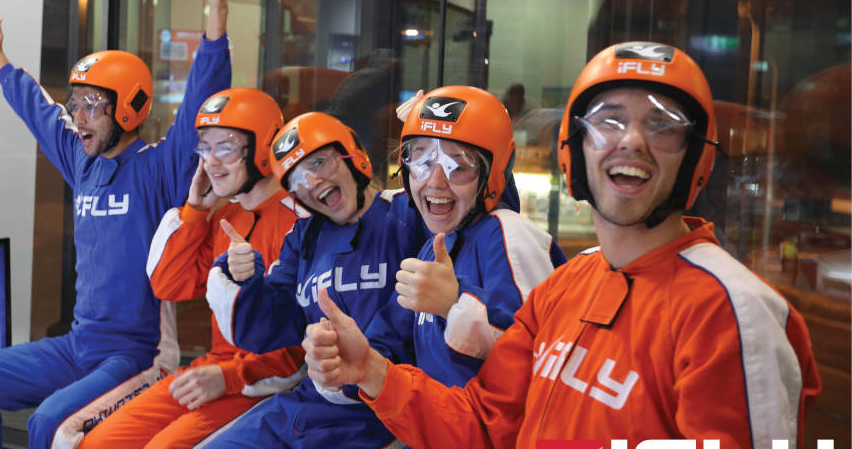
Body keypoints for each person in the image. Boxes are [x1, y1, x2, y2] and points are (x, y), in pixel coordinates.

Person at [302, 42, 821, 448]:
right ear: (574, 151)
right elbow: (485, 428)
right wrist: (371, 371)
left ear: (695, 159)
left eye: (662, 124)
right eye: (607, 121)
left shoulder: (733, 312)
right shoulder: (569, 284)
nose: (631, 139)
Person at [0, 0, 233, 447]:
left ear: (129, 109)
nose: (79, 117)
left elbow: (202, 99)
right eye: (77, 104)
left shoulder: (160, 169)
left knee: (47, 424)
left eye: (93, 106)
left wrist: (215, 19)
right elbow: (40, 113)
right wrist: (0, 62)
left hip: (139, 355)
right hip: (80, 346)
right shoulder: (83, 162)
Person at [80, 88, 308, 448]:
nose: (211, 162)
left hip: (266, 384)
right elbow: (170, 285)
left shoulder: (301, 223)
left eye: (226, 147)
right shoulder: (223, 216)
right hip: (213, 369)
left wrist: (230, 377)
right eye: (205, 147)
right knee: (99, 443)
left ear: (263, 147)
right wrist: (195, 211)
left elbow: (304, 346)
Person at [199, 111, 427, 448]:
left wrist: (427, 137)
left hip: (381, 413)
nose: (312, 182)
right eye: (297, 180)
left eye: (320, 163)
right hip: (306, 406)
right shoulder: (303, 238)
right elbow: (271, 326)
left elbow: (477, 216)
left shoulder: (407, 213)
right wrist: (243, 278)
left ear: (353, 156)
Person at [363, 85, 565, 389]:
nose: (435, 182)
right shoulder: (433, 248)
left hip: (497, 435)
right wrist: (353, 362)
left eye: (458, 166)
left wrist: (454, 305)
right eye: (422, 162)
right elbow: (390, 335)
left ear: (493, 173)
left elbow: (540, 358)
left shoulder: (509, 234)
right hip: (441, 429)